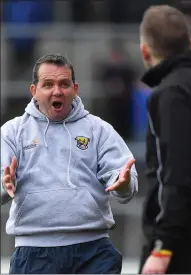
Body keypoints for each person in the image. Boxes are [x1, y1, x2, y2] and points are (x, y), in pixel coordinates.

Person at [1, 54, 138, 274]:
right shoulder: (12, 132)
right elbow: (1, 181)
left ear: (75, 89)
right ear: (34, 91)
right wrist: (4, 186)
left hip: (93, 251)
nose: (57, 91)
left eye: (64, 84)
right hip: (33, 252)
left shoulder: (99, 130)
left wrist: (123, 185)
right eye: (48, 84)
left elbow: (123, 179)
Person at [137, 5, 191, 274]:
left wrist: (163, 245)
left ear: (145, 51)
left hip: (182, 245)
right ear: (189, 43)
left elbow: (177, 173)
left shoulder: (172, 93)